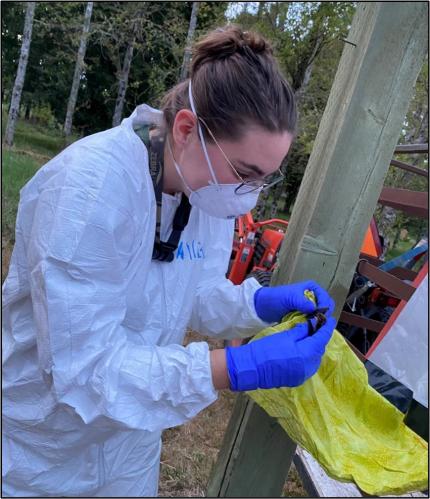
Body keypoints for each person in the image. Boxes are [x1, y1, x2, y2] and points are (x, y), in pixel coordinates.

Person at [2, 25, 336, 497]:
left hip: (130, 443)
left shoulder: (204, 189)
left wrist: (257, 306)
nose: (249, 196)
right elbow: (85, 372)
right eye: (244, 173)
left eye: (264, 179)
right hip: (41, 451)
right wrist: (231, 368)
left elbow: (190, 292)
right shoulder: (88, 194)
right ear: (185, 129)